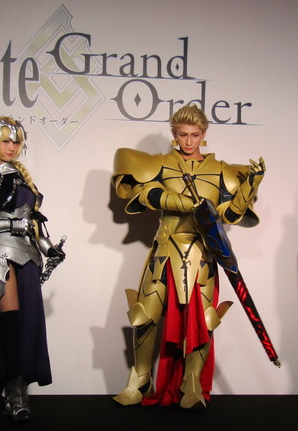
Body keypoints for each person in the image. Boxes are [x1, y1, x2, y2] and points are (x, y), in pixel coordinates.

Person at [111, 104, 266, 410]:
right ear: (174, 134)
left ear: (203, 134)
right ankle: (139, 380)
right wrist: (179, 201)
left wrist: (250, 186)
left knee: (203, 320)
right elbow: (144, 194)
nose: (189, 141)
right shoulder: (159, 163)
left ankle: (192, 382)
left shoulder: (221, 170)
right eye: (183, 134)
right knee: (144, 314)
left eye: (194, 135)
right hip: (165, 247)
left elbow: (228, 215)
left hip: (202, 251)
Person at [0, 116, 65, 421]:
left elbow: (33, 222)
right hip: (0, 255)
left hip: (28, 257)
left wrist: (49, 248)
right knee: (10, 322)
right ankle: (12, 392)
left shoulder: (22, 176)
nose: (11, 147)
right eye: (5, 141)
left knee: (25, 324)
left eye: (16, 142)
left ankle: (10, 390)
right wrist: (9, 224)